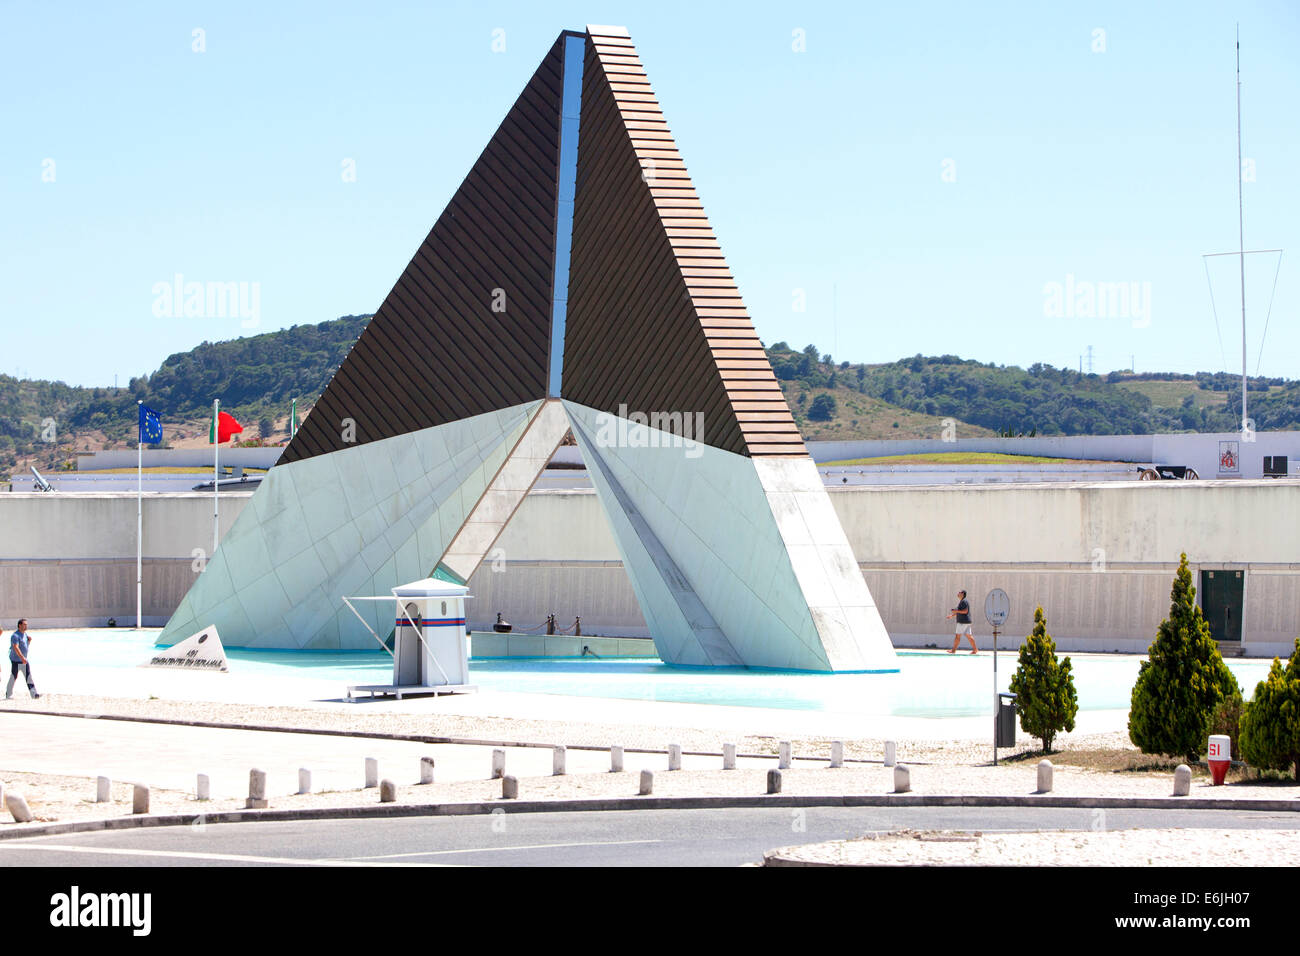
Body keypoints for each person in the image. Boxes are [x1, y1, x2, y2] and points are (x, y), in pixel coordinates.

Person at [7, 618, 40, 699]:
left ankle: (34, 694)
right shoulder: (15, 636)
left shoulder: (25, 634)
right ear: (19, 625)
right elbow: (16, 647)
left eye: (26, 625)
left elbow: (24, 647)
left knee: (28, 676)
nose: (26, 626)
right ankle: (8, 694)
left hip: (24, 660)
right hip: (16, 661)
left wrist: (29, 641)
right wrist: (22, 658)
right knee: (14, 677)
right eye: (24, 624)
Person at [946, 590, 977, 655]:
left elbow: (965, 611)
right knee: (969, 636)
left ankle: (953, 650)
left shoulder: (964, 601)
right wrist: (952, 615)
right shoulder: (962, 602)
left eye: (959, 592)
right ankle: (975, 650)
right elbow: (959, 611)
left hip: (962, 622)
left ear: (962, 594)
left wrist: (956, 611)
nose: (958, 593)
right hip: (967, 621)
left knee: (958, 636)